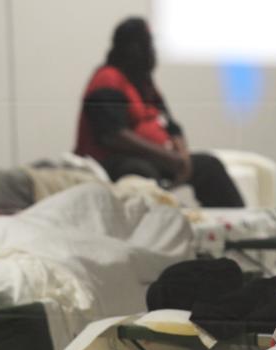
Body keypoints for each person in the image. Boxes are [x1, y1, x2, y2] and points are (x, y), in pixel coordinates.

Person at [75, 17, 245, 208]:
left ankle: (240, 228)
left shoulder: (144, 84)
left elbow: (171, 125)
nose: (150, 52)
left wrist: (183, 157)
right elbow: (112, 135)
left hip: (160, 158)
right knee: (140, 172)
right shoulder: (107, 79)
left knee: (209, 166)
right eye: (144, 45)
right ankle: (166, 222)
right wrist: (167, 158)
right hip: (110, 162)